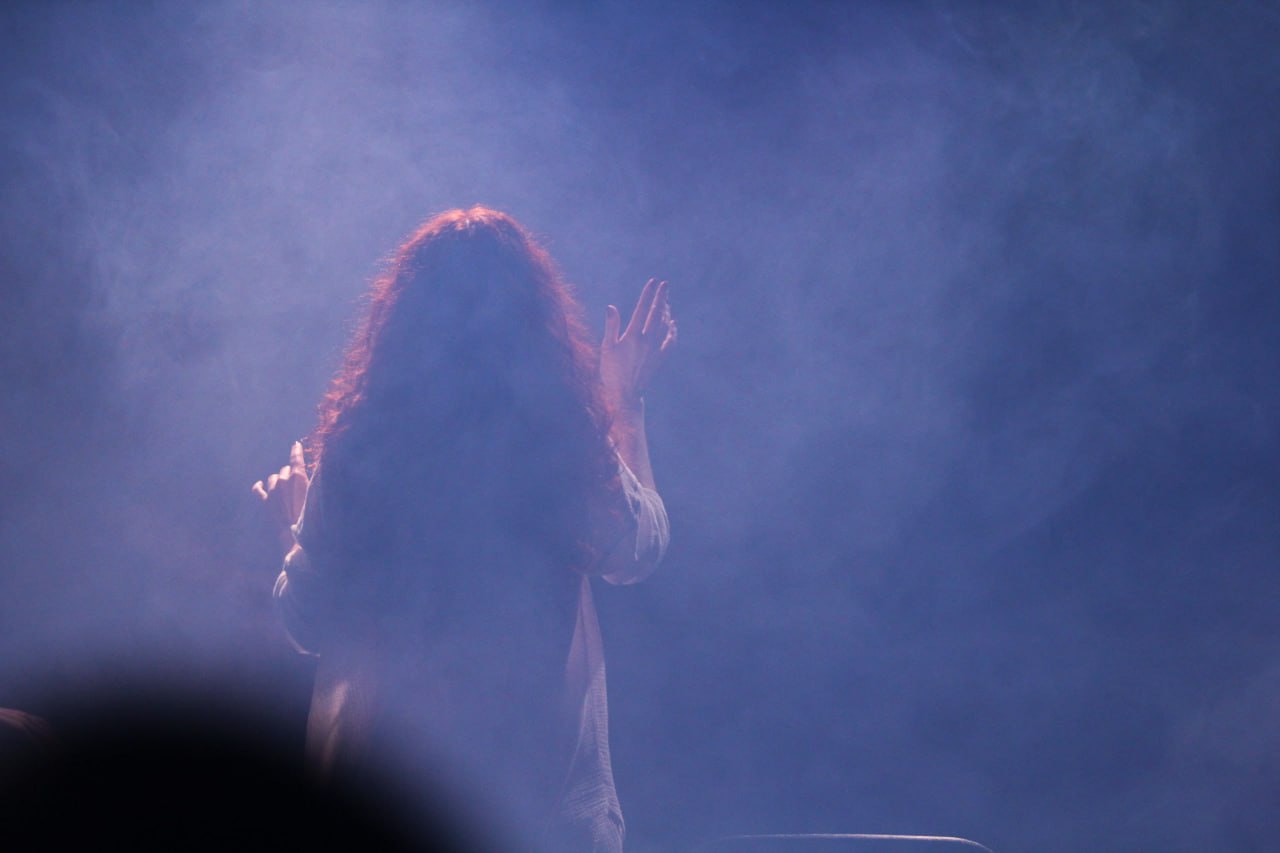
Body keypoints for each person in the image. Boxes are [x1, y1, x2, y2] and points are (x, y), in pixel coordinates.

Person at [252, 208, 674, 851]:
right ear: (535, 321)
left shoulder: (362, 450)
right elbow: (638, 551)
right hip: (544, 819)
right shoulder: (556, 441)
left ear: (400, 321)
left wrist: (296, 526)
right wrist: (626, 402)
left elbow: (309, 623)